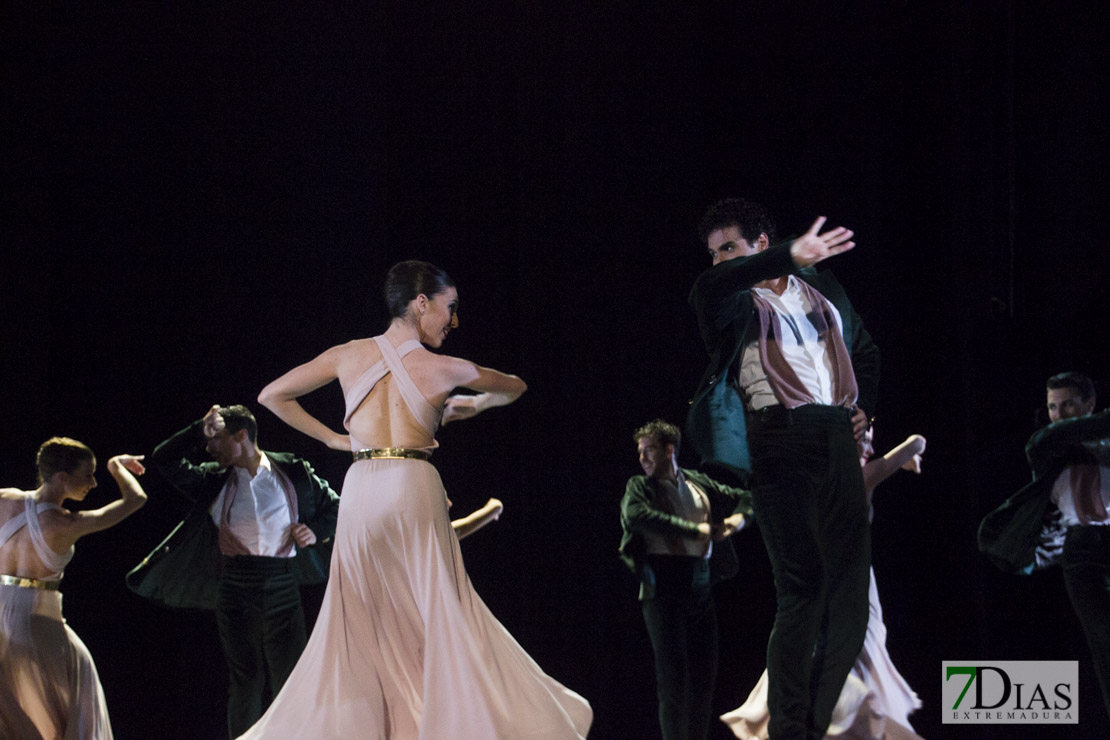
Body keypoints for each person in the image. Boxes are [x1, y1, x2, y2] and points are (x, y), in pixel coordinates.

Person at [238, 260, 592, 738]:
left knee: (363, 613)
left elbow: (271, 395)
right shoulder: (446, 368)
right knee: (438, 605)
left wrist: (335, 440)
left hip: (362, 484)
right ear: (421, 303)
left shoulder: (347, 354)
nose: (454, 320)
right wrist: (474, 402)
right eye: (450, 308)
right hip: (411, 483)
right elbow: (515, 386)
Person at [686, 198, 880, 740]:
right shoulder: (726, 298)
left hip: (836, 434)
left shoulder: (823, 291)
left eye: (731, 248)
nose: (721, 260)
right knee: (802, 587)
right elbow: (710, 288)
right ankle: (790, 728)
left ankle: (818, 724)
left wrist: (867, 407)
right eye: (714, 252)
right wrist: (792, 255)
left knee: (849, 592)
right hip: (776, 439)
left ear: (760, 243)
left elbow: (865, 351)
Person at [126, 404, 340, 738]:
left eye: (217, 440)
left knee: (291, 675)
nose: (210, 448)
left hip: (283, 580)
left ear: (242, 436)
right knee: (247, 679)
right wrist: (201, 428)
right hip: (237, 583)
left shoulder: (292, 470)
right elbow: (164, 458)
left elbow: (337, 506)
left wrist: (314, 529)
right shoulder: (212, 479)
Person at [723, 428, 926, 739]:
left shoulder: (820, 477)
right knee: (851, 662)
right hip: (846, 584)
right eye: (862, 435)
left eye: (871, 435)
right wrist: (908, 455)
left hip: (838, 581)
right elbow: (917, 441)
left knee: (844, 658)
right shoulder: (858, 477)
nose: (870, 443)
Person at [979, 371, 1110, 720]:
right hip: (1084, 548)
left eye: (1067, 404)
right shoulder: (1044, 444)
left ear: (1090, 403)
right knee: (1104, 639)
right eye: (1052, 407)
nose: (1059, 414)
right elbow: (1072, 432)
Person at [0, 437, 148, 739]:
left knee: (19, 701)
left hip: (3, 609)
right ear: (61, 478)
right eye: (88, 475)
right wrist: (116, 467)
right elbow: (136, 499)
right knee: (60, 703)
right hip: (35, 619)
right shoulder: (65, 523)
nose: (93, 484)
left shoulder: (6, 499)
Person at [619, 419, 753, 740]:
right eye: (640, 452)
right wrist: (695, 530)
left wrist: (737, 521)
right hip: (663, 584)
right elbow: (637, 517)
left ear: (669, 450)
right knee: (674, 683)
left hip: (700, 582)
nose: (643, 458)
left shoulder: (696, 482)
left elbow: (748, 498)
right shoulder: (640, 486)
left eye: (649, 450)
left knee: (704, 681)